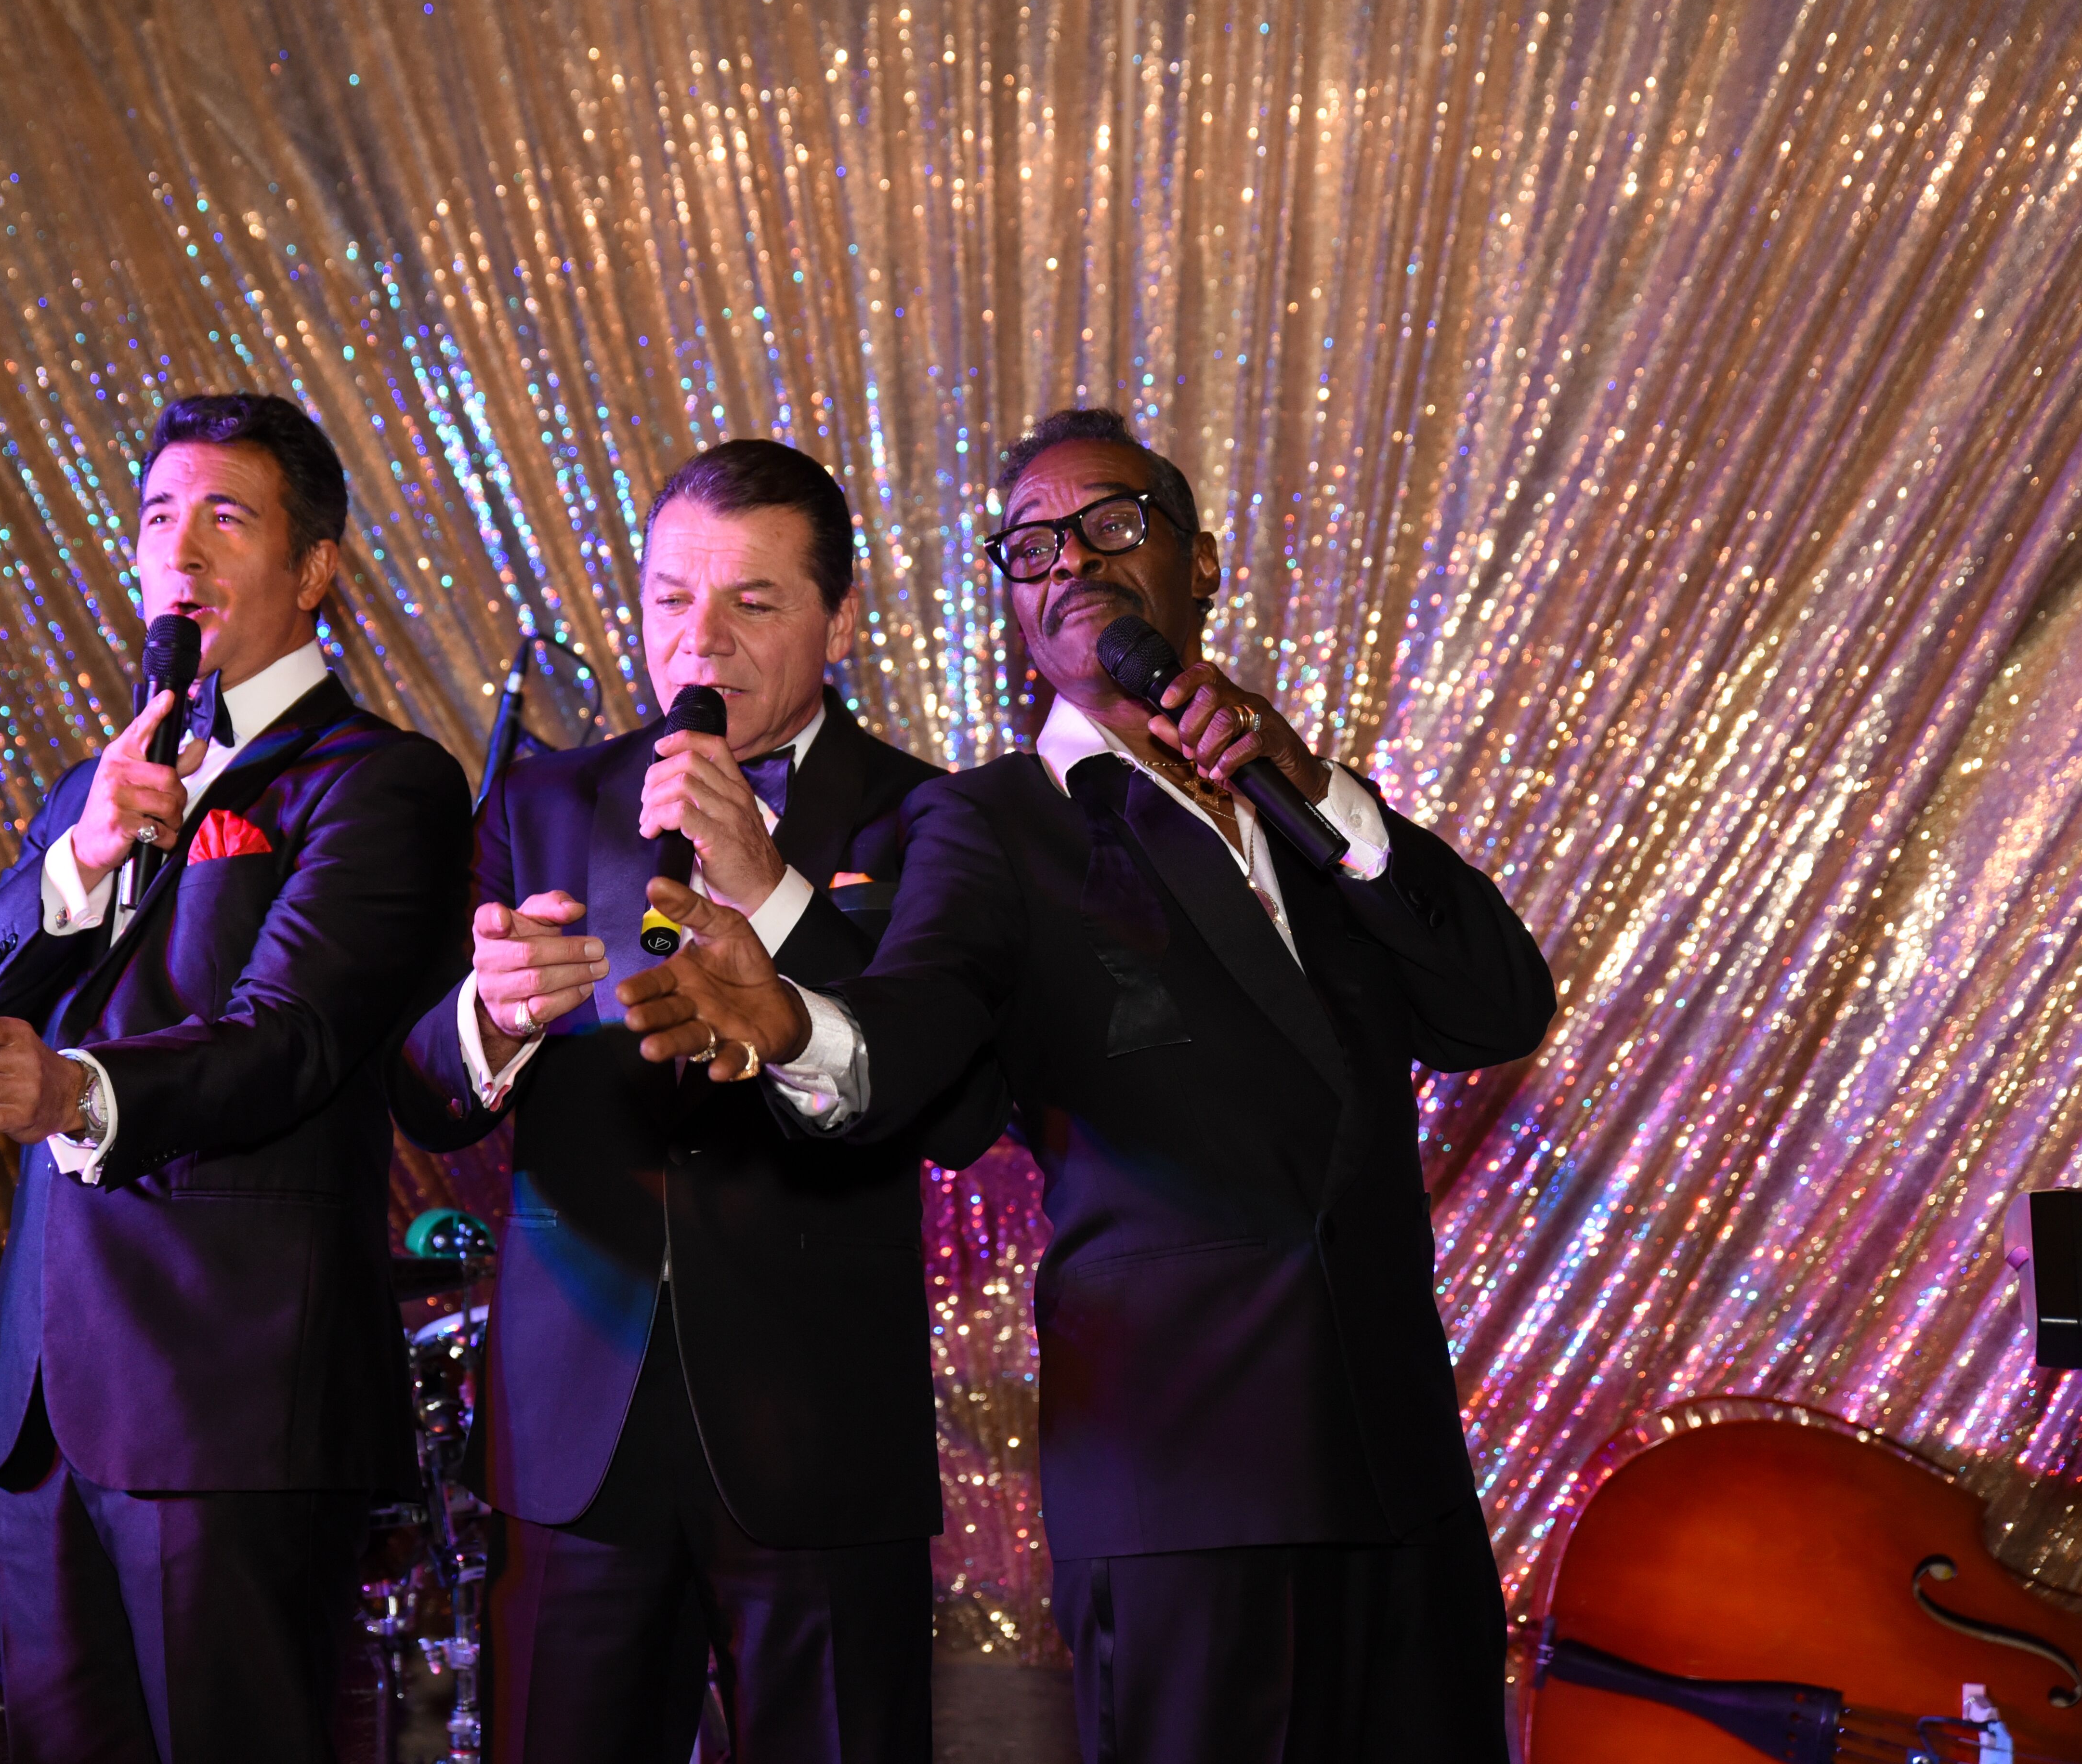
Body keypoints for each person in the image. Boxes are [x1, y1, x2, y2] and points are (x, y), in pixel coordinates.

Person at [615, 409, 1557, 1763]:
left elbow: (1497, 1003)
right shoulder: (996, 822)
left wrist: (1313, 783)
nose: (1069, 563)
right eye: (1029, 549)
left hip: (1402, 1474)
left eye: (1111, 523)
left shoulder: (1299, 812)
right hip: (1186, 1480)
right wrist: (794, 1021)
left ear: (1202, 562)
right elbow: (915, 1034)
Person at [389, 440, 1000, 1764]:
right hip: (572, 1440)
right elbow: (425, 1094)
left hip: (818, 1442)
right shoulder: (547, 800)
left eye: (753, 603)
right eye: (672, 598)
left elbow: (949, 1104)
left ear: (838, 619)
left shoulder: (929, 817)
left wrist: (773, 887)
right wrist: (491, 1015)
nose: (700, 640)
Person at [0, 392, 469, 1764]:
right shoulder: (107, 784)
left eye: (227, 516)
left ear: (314, 566)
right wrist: (79, 860)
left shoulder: (375, 781)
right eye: (160, 518)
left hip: (231, 1399)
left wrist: (76, 1091)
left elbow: (295, 1037)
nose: (183, 553)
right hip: (48, 1408)